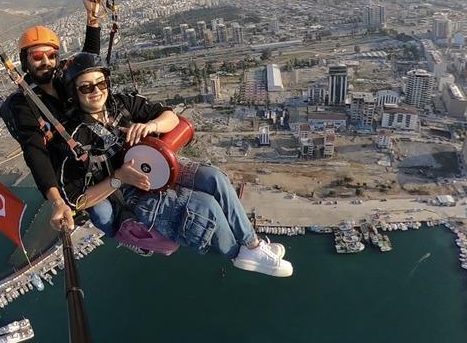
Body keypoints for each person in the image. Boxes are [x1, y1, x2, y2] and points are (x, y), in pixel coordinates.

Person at [45, 52, 294, 277]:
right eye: (86, 88)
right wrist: (119, 178)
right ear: (74, 93)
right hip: (129, 193)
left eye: (101, 83)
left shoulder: (121, 104)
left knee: (214, 178)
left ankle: (251, 245)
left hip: (157, 166)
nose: (96, 91)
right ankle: (237, 255)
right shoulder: (73, 138)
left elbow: (171, 117)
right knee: (204, 206)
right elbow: (77, 200)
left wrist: (150, 125)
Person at [2, 0, 105, 232]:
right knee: (104, 214)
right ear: (25, 61)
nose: (46, 61)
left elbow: (89, 60)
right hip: (70, 176)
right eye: (37, 56)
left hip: (95, 155)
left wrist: (92, 18)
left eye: (51, 55)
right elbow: (34, 151)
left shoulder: (64, 80)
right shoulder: (23, 103)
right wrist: (57, 201)